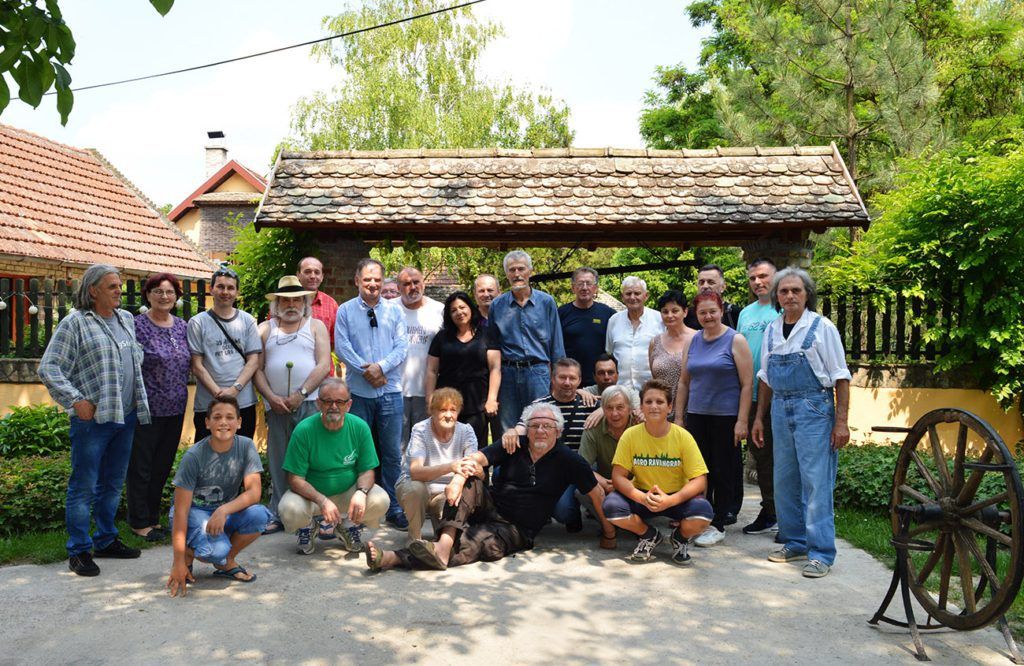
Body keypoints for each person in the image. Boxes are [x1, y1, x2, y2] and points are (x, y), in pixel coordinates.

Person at [364, 403, 614, 571]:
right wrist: (458, 479)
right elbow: (477, 458)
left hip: (517, 528)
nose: (540, 431)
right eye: (534, 425)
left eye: (547, 426)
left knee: (479, 543)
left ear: (558, 432)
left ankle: (393, 558)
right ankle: (444, 545)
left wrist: (609, 533)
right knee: (471, 477)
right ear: (526, 429)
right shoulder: (514, 444)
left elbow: (596, 493)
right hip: (489, 508)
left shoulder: (569, 460)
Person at [39, 264, 151, 576]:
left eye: (119, 286)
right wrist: (75, 399)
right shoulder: (75, 322)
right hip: (93, 422)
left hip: (125, 416)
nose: (119, 291)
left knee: (113, 483)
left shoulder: (125, 318)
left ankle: (105, 539)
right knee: (84, 486)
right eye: (112, 286)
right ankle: (78, 550)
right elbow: (49, 367)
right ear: (93, 290)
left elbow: (132, 357)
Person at [752, 267, 851, 579]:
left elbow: (841, 377)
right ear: (776, 296)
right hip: (780, 409)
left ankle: (821, 553)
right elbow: (765, 378)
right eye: (784, 291)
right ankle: (795, 542)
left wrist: (841, 423)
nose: (790, 296)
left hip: (814, 409)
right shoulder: (772, 329)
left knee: (816, 482)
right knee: (784, 480)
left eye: (796, 290)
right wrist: (759, 417)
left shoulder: (822, 327)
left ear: (808, 294)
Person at [166, 395, 271, 596]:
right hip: (194, 512)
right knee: (215, 551)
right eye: (217, 417)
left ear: (239, 422)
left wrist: (223, 510)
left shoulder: (246, 446)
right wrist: (177, 562)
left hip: (222, 513)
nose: (223, 422)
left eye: (230, 417)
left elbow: (254, 493)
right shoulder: (194, 456)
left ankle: (226, 562)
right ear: (207, 423)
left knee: (260, 516)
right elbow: (181, 511)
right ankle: (188, 554)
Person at [603, 379, 713, 565]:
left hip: (676, 496)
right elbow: (618, 476)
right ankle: (649, 535)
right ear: (641, 407)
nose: (654, 406)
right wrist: (641, 498)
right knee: (612, 507)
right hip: (642, 495)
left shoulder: (683, 437)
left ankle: (680, 538)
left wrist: (670, 500)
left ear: (670, 407)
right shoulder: (630, 435)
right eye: (648, 402)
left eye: (660, 402)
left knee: (703, 513)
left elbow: (699, 480)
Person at [253, 276, 332, 534]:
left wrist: (301, 392)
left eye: (296, 300)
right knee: (279, 459)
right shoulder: (264, 329)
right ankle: (279, 512)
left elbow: (323, 364)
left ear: (304, 303)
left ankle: (317, 514)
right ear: (276, 304)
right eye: (285, 300)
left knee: (313, 459)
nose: (291, 305)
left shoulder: (316, 326)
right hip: (276, 406)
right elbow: (257, 368)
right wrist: (271, 397)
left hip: (309, 403)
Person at [334, 258, 410, 530]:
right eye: (367, 279)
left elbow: (402, 347)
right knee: (358, 452)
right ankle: (359, 508)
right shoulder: (345, 310)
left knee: (391, 453)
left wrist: (381, 367)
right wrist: (366, 371)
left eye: (377, 279)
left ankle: (394, 507)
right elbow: (342, 347)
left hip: (390, 392)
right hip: (359, 393)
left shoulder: (395, 311)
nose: (373, 284)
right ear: (357, 280)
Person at [674, 292, 753, 547]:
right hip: (697, 416)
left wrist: (742, 421)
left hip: (726, 417)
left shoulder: (735, 340)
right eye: (702, 312)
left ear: (720, 310)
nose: (708, 316)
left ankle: (718, 523)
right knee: (699, 470)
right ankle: (700, 517)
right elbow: (684, 382)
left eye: (712, 311)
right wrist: (679, 417)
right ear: (695, 315)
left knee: (723, 470)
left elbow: (747, 384)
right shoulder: (693, 341)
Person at [278, 378, 390, 555]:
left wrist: (361, 493)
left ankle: (348, 525)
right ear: (318, 403)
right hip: (312, 497)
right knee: (289, 509)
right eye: (328, 401)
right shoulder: (304, 430)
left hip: (348, 492)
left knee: (380, 500)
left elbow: (367, 470)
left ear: (349, 405)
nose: (334, 406)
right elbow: (295, 479)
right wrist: (322, 500)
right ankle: (308, 526)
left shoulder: (360, 427)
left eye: (340, 402)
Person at [500, 357, 598, 533]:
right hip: (546, 468)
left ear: (579, 381)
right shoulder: (539, 405)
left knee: (564, 512)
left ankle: (572, 511)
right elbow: (522, 427)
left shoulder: (589, 404)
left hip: (576, 470)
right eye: (562, 377)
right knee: (501, 471)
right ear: (552, 379)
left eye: (572, 378)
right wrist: (512, 432)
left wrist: (603, 409)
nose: (567, 382)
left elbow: (617, 408)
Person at [127, 273, 190, 542]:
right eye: (158, 291)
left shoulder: (182, 326)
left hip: (176, 407)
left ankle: (153, 518)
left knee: (162, 465)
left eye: (169, 292)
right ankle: (138, 522)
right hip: (147, 408)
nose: (164, 296)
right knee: (141, 466)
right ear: (148, 295)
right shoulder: (137, 325)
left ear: (176, 297)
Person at [487, 250, 565, 432]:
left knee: (541, 424)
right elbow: (494, 348)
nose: (517, 274)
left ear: (530, 271)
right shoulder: (497, 306)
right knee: (509, 429)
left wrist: (558, 380)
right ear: (506, 274)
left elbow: (557, 346)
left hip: (538, 373)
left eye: (521, 269)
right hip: (508, 374)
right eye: (512, 270)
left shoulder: (547, 302)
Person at [187, 267, 261, 442]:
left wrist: (234, 390)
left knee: (241, 451)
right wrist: (219, 394)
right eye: (220, 287)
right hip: (208, 405)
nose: (225, 292)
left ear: (237, 292)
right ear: (211, 289)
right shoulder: (197, 323)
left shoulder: (248, 321)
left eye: (230, 288)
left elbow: (253, 361)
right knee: (208, 453)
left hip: (243, 403)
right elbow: (197, 365)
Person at [397, 388, 480, 541]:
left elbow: (471, 466)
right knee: (415, 488)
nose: (448, 415)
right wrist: (451, 466)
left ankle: (441, 535)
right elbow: (415, 472)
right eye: (442, 410)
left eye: (453, 410)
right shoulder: (420, 429)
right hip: (418, 488)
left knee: (448, 541)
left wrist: (457, 482)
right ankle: (414, 539)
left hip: (446, 492)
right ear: (432, 411)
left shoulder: (466, 431)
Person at [737, 258, 780, 536]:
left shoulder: (784, 309)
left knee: (782, 457)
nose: (758, 282)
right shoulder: (746, 313)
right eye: (753, 278)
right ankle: (770, 511)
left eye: (763, 276)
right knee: (762, 456)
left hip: (780, 395)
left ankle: (787, 514)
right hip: (751, 395)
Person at [424, 291, 501, 447]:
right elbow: (431, 370)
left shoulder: (487, 334)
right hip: (446, 404)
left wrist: (492, 399)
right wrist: (430, 398)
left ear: (471, 308)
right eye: (453, 310)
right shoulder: (441, 337)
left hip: (477, 404)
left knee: (475, 449)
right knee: (446, 447)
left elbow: (495, 368)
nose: (459, 312)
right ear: (449, 315)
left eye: (462, 307)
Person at [577, 385, 638, 549]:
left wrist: (625, 484)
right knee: (581, 489)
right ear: (602, 409)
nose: (614, 413)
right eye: (609, 408)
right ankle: (610, 524)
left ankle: (635, 522)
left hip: (636, 485)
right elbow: (582, 466)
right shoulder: (594, 427)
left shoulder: (641, 425)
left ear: (630, 409)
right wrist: (604, 482)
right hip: (607, 484)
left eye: (620, 407)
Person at [397, 266, 445, 449]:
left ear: (423, 284)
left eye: (416, 282)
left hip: (427, 391)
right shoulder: (389, 308)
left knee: (424, 446)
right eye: (406, 284)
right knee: (397, 447)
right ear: (398, 287)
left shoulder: (439, 310)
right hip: (395, 390)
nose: (412, 287)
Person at [558, 267, 615, 386]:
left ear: (595, 288)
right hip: (569, 380)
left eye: (589, 283)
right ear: (573, 287)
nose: (584, 288)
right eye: (580, 283)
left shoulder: (608, 313)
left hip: (601, 380)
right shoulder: (561, 313)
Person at [605, 276, 663, 391]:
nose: (632, 297)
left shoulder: (659, 319)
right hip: (621, 390)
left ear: (646, 295)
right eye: (628, 294)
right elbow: (609, 352)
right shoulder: (614, 320)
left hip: (651, 390)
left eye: (637, 293)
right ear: (622, 297)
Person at [648, 290, 698, 410]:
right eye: (665, 312)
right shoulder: (655, 342)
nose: (670, 315)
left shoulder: (698, 338)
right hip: (663, 410)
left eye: (675, 311)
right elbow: (654, 379)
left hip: (692, 409)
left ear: (685, 312)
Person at [296, 256, 339, 355]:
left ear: (322, 277)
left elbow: (335, 341)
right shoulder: (284, 302)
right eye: (307, 272)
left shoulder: (331, 304)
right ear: (298, 275)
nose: (312, 276)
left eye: (317, 272)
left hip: (323, 362)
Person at [683, 264, 741, 330]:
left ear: (723, 287)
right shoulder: (687, 316)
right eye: (701, 282)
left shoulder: (735, 314)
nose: (705, 286)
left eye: (711, 282)